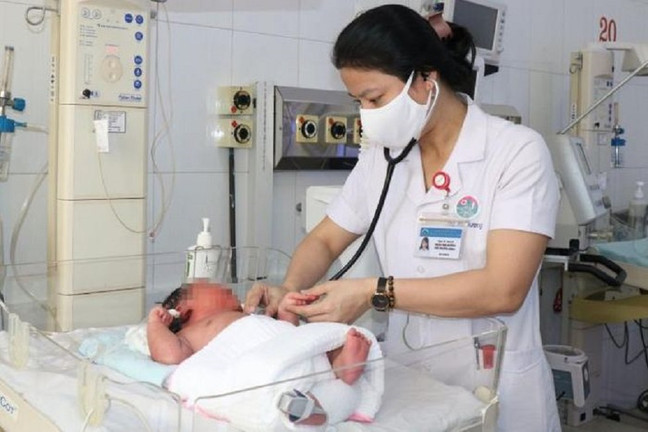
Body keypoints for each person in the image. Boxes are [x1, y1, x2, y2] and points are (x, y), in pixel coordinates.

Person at [244, 4, 561, 431]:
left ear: (426, 78)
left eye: (375, 99)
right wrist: (290, 287)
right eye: (359, 102)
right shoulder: (383, 156)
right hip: (410, 385)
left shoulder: (516, 152)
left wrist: (372, 293)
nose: (367, 114)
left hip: (496, 384)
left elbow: (503, 290)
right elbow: (325, 239)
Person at [147, 282, 377, 427]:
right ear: (182, 309)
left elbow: (288, 336)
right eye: (211, 286)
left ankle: (339, 361)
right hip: (264, 362)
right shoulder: (189, 335)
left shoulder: (251, 318)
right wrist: (155, 325)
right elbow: (170, 356)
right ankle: (308, 403)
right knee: (266, 370)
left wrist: (287, 312)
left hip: (289, 349)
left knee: (308, 344)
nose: (225, 288)